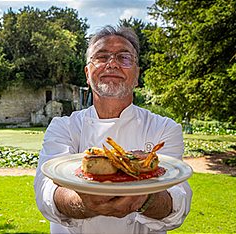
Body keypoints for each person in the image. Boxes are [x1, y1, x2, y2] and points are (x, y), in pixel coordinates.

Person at [34, 25, 192, 234]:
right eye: (101, 56)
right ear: (87, 75)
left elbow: (177, 203)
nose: (112, 64)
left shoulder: (164, 128)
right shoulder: (63, 127)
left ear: (137, 75)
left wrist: (143, 199)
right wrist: (85, 203)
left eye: (124, 57)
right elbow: (46, 192)